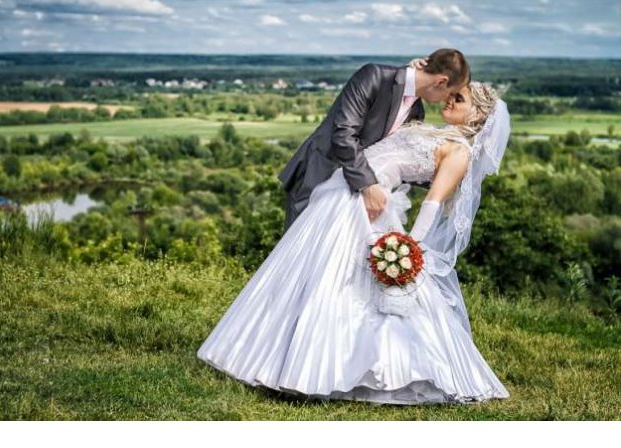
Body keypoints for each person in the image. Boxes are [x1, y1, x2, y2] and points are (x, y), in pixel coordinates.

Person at [196, 80, 512, 405]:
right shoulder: (435, 132)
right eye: (452, 94)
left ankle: (337, 370)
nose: (449, 100)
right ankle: (271, 356)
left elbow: (433, 202)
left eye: (458, 99)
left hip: (363, 208)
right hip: (342, 190)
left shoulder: (460, 152)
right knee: (307, 276)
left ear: (476, 116)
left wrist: (408, 248)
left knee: (337, 282)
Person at [278, 48, 470, 233]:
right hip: (318, 176)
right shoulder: (375, 76)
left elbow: (396, 158)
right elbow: (344, 134)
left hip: (351, 197)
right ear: (441, 81)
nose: (448, 99)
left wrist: (450, 174)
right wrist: (368, 185)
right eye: (451, 93)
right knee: (299, 254)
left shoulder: (416, 111)